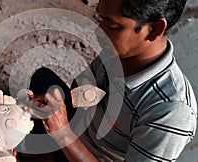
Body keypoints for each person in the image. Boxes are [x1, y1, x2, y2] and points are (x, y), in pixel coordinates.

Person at [32, 0, 197, 161]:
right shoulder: (116, 51)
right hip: (80, 133)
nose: (99, 32)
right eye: (101, 18)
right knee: (43, 78)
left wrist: (63, 134)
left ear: (153, 29)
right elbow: (80, 86)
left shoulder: (171, 111)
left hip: (87, 155)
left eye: (112, 26)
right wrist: (71, 96)